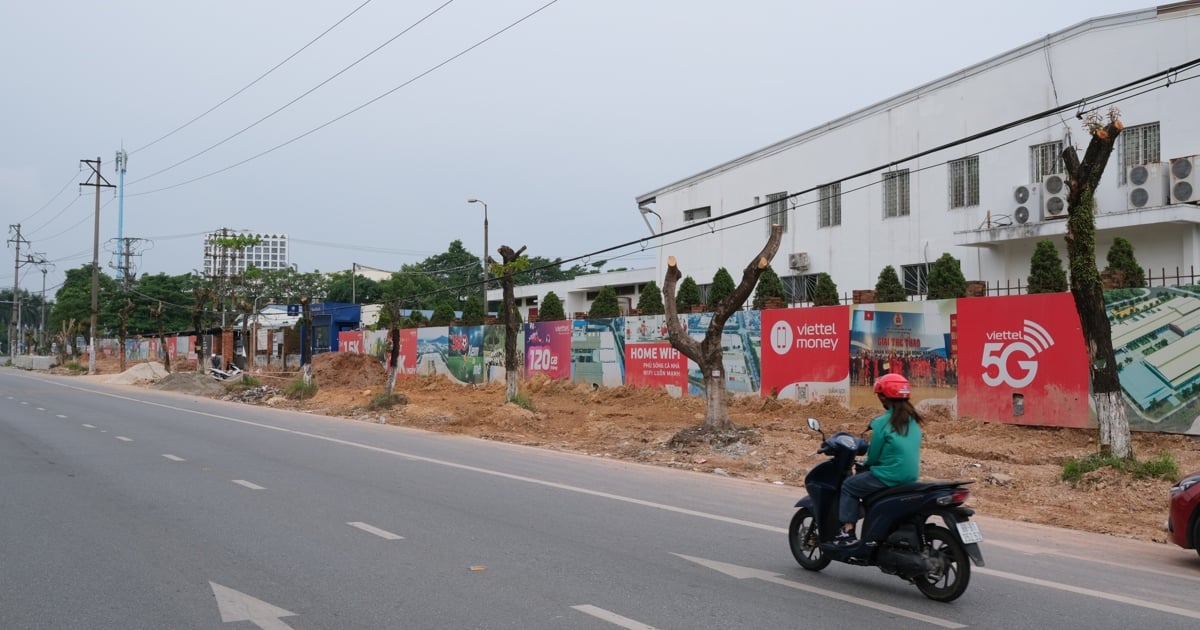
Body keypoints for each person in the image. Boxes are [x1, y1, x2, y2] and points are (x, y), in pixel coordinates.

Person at [833, 373, 924, 545]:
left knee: (849, 486)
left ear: (884, 397)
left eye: (880, 395)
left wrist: (865, 462)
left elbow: (873, 457)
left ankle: (848, 531)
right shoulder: (913, 420)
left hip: (888, 476)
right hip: (910, 477)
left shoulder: (882, 423)